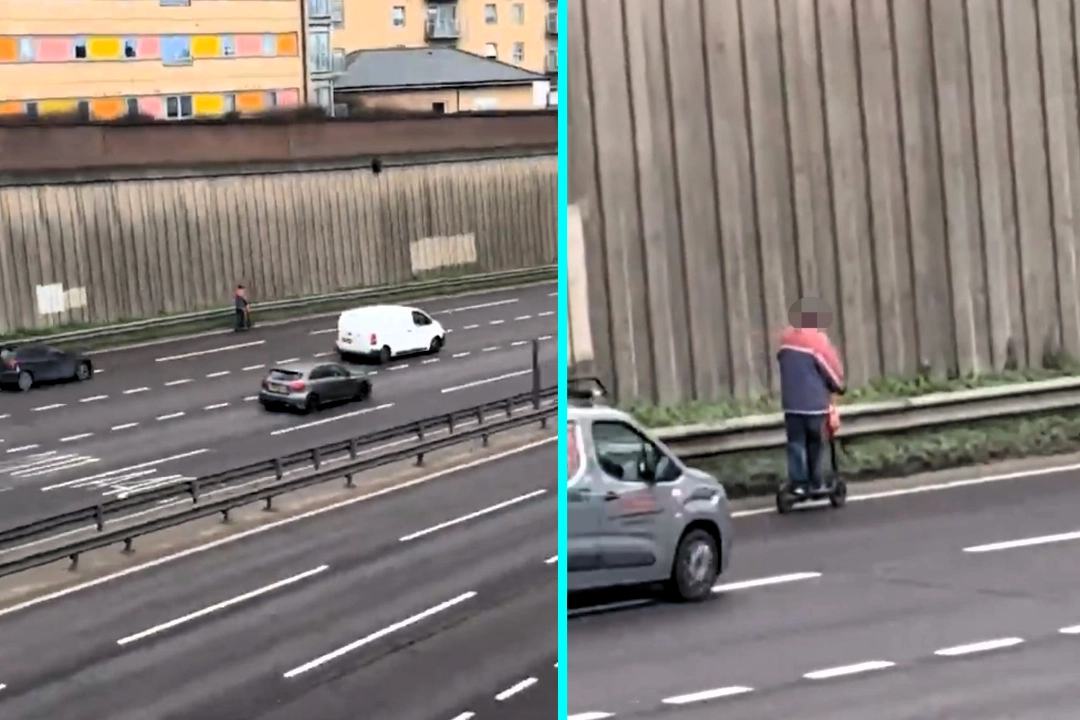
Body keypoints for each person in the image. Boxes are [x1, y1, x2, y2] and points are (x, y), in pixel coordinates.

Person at [776, 299, 845, 495]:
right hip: (815, 405)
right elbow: (830, 369)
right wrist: (838, 386)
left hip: (791, 405)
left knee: (795, 443)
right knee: (815, 442)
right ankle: (816, 481)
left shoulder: (785, 340)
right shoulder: (817, 341)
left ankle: (798, 483)